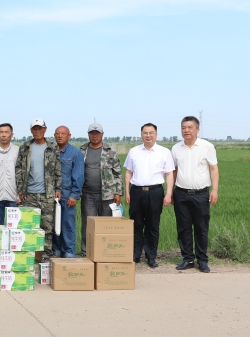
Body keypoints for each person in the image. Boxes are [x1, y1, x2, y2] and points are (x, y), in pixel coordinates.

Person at [172, 116, 219, 273]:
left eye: (190, 127)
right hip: (181, 193)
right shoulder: (176, 148)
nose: (186, 130)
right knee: (183, 228)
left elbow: (214, 168)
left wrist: (214, 190)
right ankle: (188, 259)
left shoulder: (207, 147)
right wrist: (171, 192)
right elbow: (174, 171)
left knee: (201, 228)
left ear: (197, 130)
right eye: (183, 127)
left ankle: (202, 260)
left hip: (201, 194)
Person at [124, 123, 174, 268]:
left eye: (151, 133)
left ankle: (151, 256)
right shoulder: (133, 151)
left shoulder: (164, 152)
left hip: (155, 192)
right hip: (137, 191)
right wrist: (127, 191)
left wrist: (169, 193)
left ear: (156, 134)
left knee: (153, 224)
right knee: (136, 224)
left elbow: (169, 174)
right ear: (141, 135)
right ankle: (136, 254)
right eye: (145, 133)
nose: (148, 135)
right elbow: (128, 172)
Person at [15, 119, 61, 261]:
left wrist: (58, 188)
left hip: (47, 194)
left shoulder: (52, 147)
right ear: (31, 130)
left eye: (40, 128)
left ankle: (46, 255)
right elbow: (19, 169)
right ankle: (30, 255)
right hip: (29, 194)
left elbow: (58, 169)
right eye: (34, 129)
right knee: (29, 225)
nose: (37, 131)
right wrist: (20, 189)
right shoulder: (25, 147)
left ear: (45, 129)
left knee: (47, 226)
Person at [79, 122, 122, 255]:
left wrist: (118, 193)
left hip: (108, 195)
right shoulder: (82, 151)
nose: (94, 136)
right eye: (92, 133)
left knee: (105, 225)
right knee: (88, 224)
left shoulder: (110, 151)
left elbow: (117, 173)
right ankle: (86, 251)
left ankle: (105, 251)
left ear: (102, 134)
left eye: (97, 133)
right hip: (88, 194)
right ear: (88, 135)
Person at [52, 126, 84, 258]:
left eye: (63, 133)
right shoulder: (51, 151)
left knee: (67, 224)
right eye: (58, 133)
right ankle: (56, 251)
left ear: (69, 136)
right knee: (54, 224)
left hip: (67, 196)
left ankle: (69, 252)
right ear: (54, 135)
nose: (60, 136)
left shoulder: (75, 153)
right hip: (52, 196)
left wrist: (74, 195)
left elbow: (78, 175)